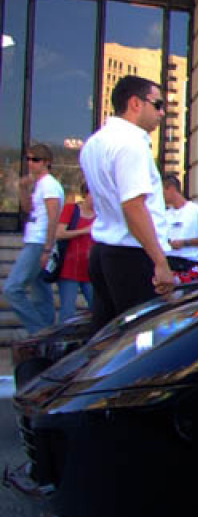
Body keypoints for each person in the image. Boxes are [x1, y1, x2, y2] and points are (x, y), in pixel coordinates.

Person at [78, 75, 174, 332]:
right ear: (135, 103)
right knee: (143, 337)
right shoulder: (131, 143)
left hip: (105, 251)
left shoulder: (94, 144)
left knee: (107, 339)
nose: (162, 113)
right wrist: (160, 262)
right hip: (131, 254)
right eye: (158, 104)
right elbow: (133, 206)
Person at [4, 142, 64, 333]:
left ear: (46, 162)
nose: (30, 163)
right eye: (28, 159)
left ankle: (39, 331)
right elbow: (28, 209)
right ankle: (47, 335)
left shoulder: (50, 185)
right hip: (34, 239)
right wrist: (22, 189)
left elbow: (54, 217)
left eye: (35, 159)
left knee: (12, 289)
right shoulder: (39, 185)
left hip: (39, 242)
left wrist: (48, 248)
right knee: (41, 293)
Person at [53, 183, 95, 323]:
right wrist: (84, 231)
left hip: (90, 268)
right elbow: (60, 233)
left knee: (96, 306)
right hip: (69, 266)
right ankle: (63, 342)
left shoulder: (102, 214)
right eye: (92, 194)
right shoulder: (71, 209)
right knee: (68, 309)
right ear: (85, 194)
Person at [163, 174, 198, 283]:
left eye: (162, 191)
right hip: (168, 263)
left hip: (189, 262)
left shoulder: (197, 210)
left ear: (171, 188)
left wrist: (184, 243)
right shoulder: (165, 214)